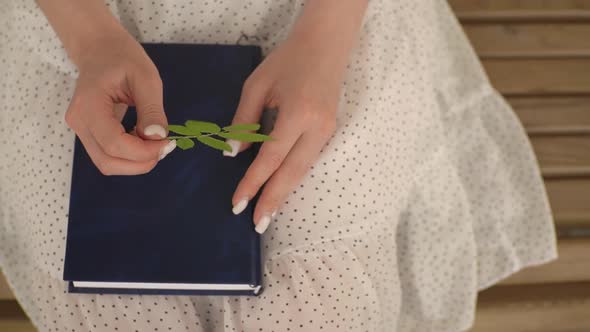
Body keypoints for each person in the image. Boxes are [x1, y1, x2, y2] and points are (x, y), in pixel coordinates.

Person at [0, 0, 558, 331]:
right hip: (76, 20)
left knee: (321, 305)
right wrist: (91, 39)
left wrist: (324, 42)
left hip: (319, 17)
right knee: (103, 290)